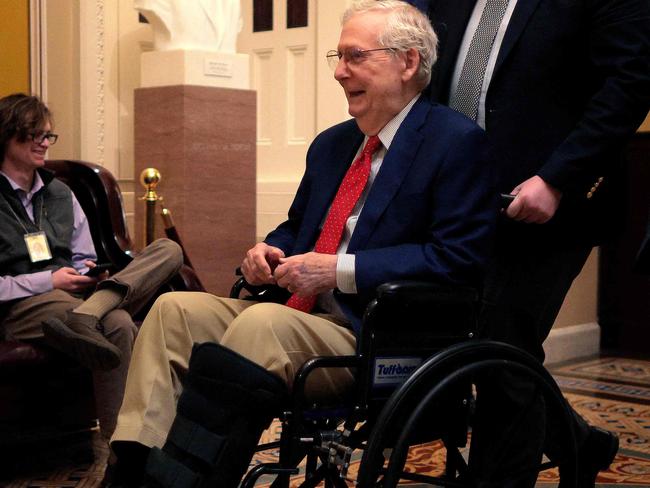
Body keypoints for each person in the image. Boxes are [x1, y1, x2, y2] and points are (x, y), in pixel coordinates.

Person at [103, 1, 497, 486]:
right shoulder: (331, 145)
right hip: (298, 313)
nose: (338, 71)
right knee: (173, 311)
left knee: (266, 323)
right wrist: (265, 250)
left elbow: (456, 259)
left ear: (408, 62)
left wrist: (338, 270)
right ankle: (131, 472)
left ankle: (192, 478)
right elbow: (295, 231)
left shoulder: (455, 142)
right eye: (337, 56)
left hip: (377, 333)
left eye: (354, 56)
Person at [411, 0, 650, 486]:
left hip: (550, 203)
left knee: (500, 347)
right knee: (482, 346)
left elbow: (632, 82)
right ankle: (580, 444)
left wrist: (557, 179)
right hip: (457, 199)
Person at [0, 93, 184, 440]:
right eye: (34, 134)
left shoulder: (60, 193)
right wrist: (47, 279)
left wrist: (88, 271)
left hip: (76, 299)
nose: (44, 144)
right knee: (115, 321)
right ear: (7, 135)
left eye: (48, 136)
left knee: (168, 250)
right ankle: (124, 451)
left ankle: (94, 308)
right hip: (22, 306)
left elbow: (83, 254)